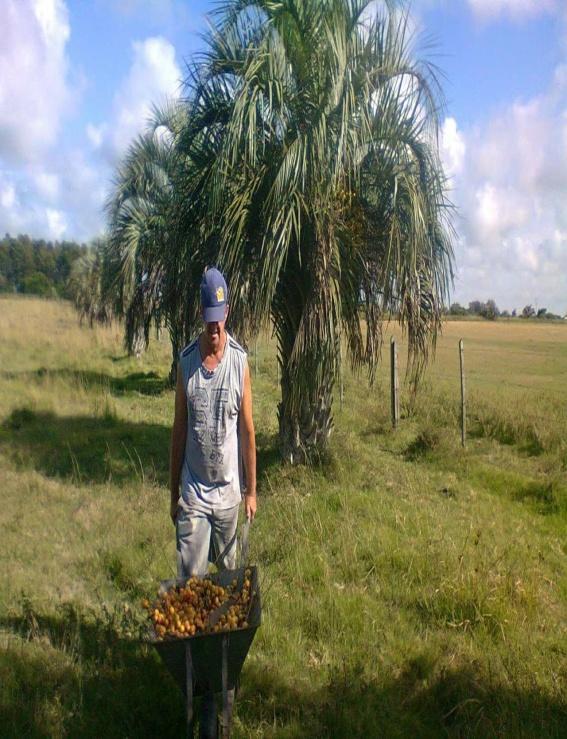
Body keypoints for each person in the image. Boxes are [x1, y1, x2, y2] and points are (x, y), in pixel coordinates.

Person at [168, 267, 256, 738]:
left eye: (220, 319)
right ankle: (198, 692)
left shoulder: (240, 362)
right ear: (200, 317)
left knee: (227, 597)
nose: (215, 328)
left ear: (228, 313)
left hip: (228, 497)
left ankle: (223, 692)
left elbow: (247, 431)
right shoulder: (186, 362)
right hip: (193, 496)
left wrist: (252, 492)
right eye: (208, 320)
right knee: (190, 592)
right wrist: (172, 492)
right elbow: (179, 429)